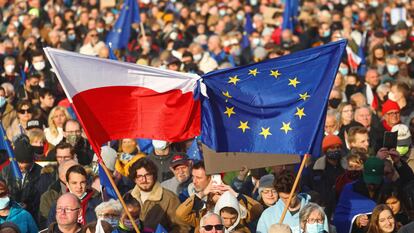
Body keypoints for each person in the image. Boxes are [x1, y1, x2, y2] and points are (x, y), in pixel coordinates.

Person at [128, 157, 189, 232]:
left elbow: (182, 227)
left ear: (154, 176)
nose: (144, 180)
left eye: (147, 175)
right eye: (139, 176)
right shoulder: (128, 197)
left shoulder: (169, 198)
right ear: (134, 178)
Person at [257, 170, 329, 233]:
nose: (288, 201)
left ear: (297, 190)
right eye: (284, 198)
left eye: (291, 197)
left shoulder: (316, 213)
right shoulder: (268, 215)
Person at [333, 157, 390, 233]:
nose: (372, 185)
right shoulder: (350, 189)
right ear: (363, 173)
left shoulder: (389, 188)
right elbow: (339, 217)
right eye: (369, 181)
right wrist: (356, 219)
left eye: (375, 182)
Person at [0, 134, 42, 221]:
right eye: (19, 165)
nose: (22, 168)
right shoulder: (5, 172)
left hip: (33, 216)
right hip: (10, 216)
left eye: (25, 167)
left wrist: (28, 205)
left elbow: (41, 198)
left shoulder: (41, 173)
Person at [304, 134, 344, 219]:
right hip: (321, 210)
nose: (336, 150)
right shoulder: (314, 169)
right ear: (326, 150)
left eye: (338, 147)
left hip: (342, 209)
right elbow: (306, 187)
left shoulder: (346, 168)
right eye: (332, 148)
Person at [39, 159, 78, 229]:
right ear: (62, 176)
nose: (78, 174)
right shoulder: (48, 197)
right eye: (73, 171)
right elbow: (49, 224)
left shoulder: (92, 194)